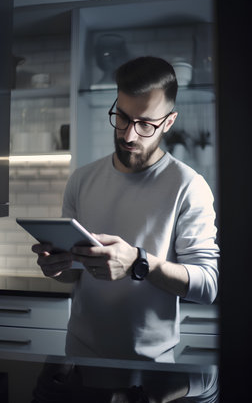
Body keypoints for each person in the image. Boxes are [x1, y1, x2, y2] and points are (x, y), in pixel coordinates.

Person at [32, 56, 219, 362]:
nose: (129, 135)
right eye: (122, 117)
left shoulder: (189, 186)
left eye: (145, 123)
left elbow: (208, 285)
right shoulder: (81, 179)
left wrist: (138, 262)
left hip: (151, 367)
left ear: (169, 122)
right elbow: (73, 276)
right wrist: (57, 268)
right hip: (80, 357)